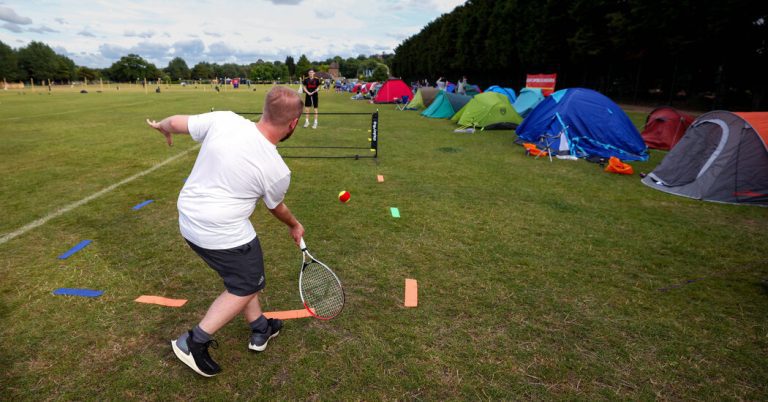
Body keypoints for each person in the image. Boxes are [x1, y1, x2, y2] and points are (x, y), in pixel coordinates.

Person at [145, 86, 305, 378]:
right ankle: (193, 342)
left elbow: (176, 122)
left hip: (189, 221)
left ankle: (260, 327)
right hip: (220, 231)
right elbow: (275, 207)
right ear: (293, 123)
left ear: (264, 109)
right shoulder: (277, 170)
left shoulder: (225, 119)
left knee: (244, 274)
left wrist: (161, 127)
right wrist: (294, 225)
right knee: (247, 284)